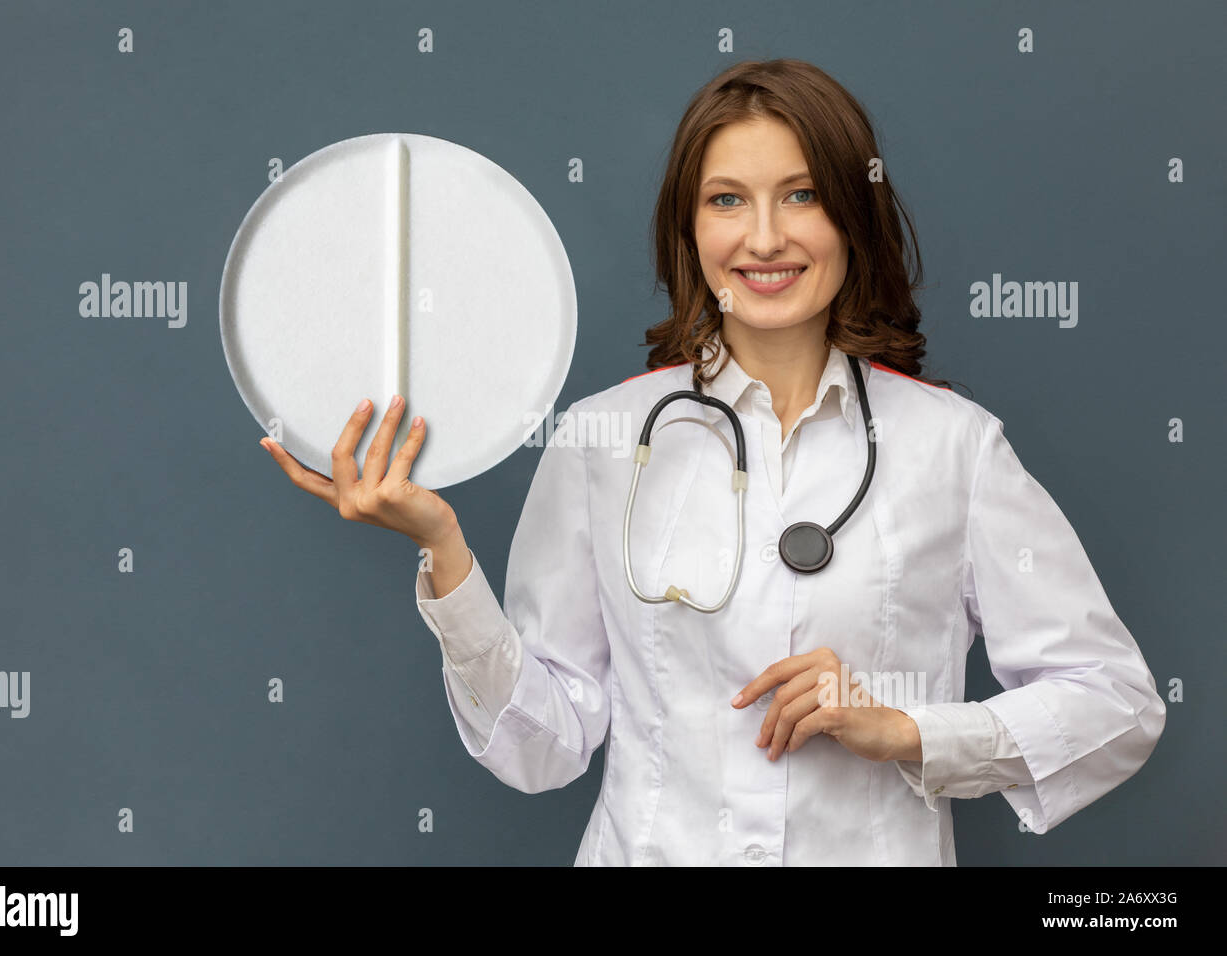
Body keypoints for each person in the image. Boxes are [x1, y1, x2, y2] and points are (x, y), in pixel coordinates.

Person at [261, 59, 1165, 866]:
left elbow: (1119, 705)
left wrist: (908, 730)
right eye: (727, 199)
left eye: (803, 195)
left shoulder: (955, 447)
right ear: (689, 231)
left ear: (855, 217)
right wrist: (447, 555)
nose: (764, 238)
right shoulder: (601, 440)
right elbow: (542, 747)